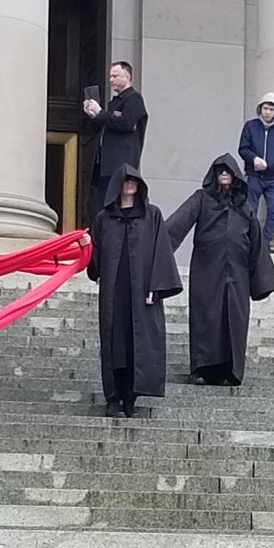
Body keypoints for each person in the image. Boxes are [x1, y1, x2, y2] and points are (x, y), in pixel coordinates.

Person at [166, 154, 274, 387]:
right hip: (207, 270)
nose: (224, 174)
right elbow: (177, 224)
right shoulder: (201, 199)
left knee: (234, 319)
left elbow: (256, 243)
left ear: (235, 176)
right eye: (220, 171)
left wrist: (260, 279)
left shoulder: (244, 207)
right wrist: (155, 244)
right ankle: (202, 369)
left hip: (237, 274)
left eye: (228, 171)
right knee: (205, 317)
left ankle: (231, 370)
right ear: (214, 176)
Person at [88, 164, 182, 417]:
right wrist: (84, 249)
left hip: (142, 291)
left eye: (134, 180)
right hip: (113, 292)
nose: (130, 183)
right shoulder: (103, 218)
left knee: (138, 342)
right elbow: (96, 254)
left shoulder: (151, 215)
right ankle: (113, 398)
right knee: (115, 342)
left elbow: (160, 251)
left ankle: (131, 397)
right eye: (125, 179)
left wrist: (156, 287)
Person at [83, 61, 148, 210]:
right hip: (106, 166)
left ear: (127, 77)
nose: (111, 80)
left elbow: (126, 123)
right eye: (110, 76)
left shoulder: (134, 98)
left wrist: (101, 113)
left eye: (115, 76)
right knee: (103, 206)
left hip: (120, 165)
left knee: (116, 205)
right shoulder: (115, 103)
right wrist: (93, 115)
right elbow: (101, 128)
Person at [238, 92, 274, 245]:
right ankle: (250, 241)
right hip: (253, 175)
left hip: (272, 178)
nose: (268, 112)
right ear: (260, 109)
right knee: (250, 210)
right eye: (265, 108)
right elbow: (243, 148)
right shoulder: (250, 126)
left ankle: (265, 242)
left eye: (271, 109)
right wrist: (254, 159)